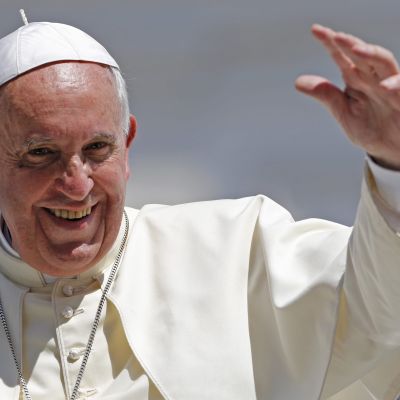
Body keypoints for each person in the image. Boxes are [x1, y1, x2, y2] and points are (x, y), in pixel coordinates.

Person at [0, 15, 399, 400]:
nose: (77, 186)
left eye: (97, 149)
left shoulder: (239, 251)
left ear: (127, 145)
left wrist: (391, 164)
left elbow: (377, 315)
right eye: (41, 153)